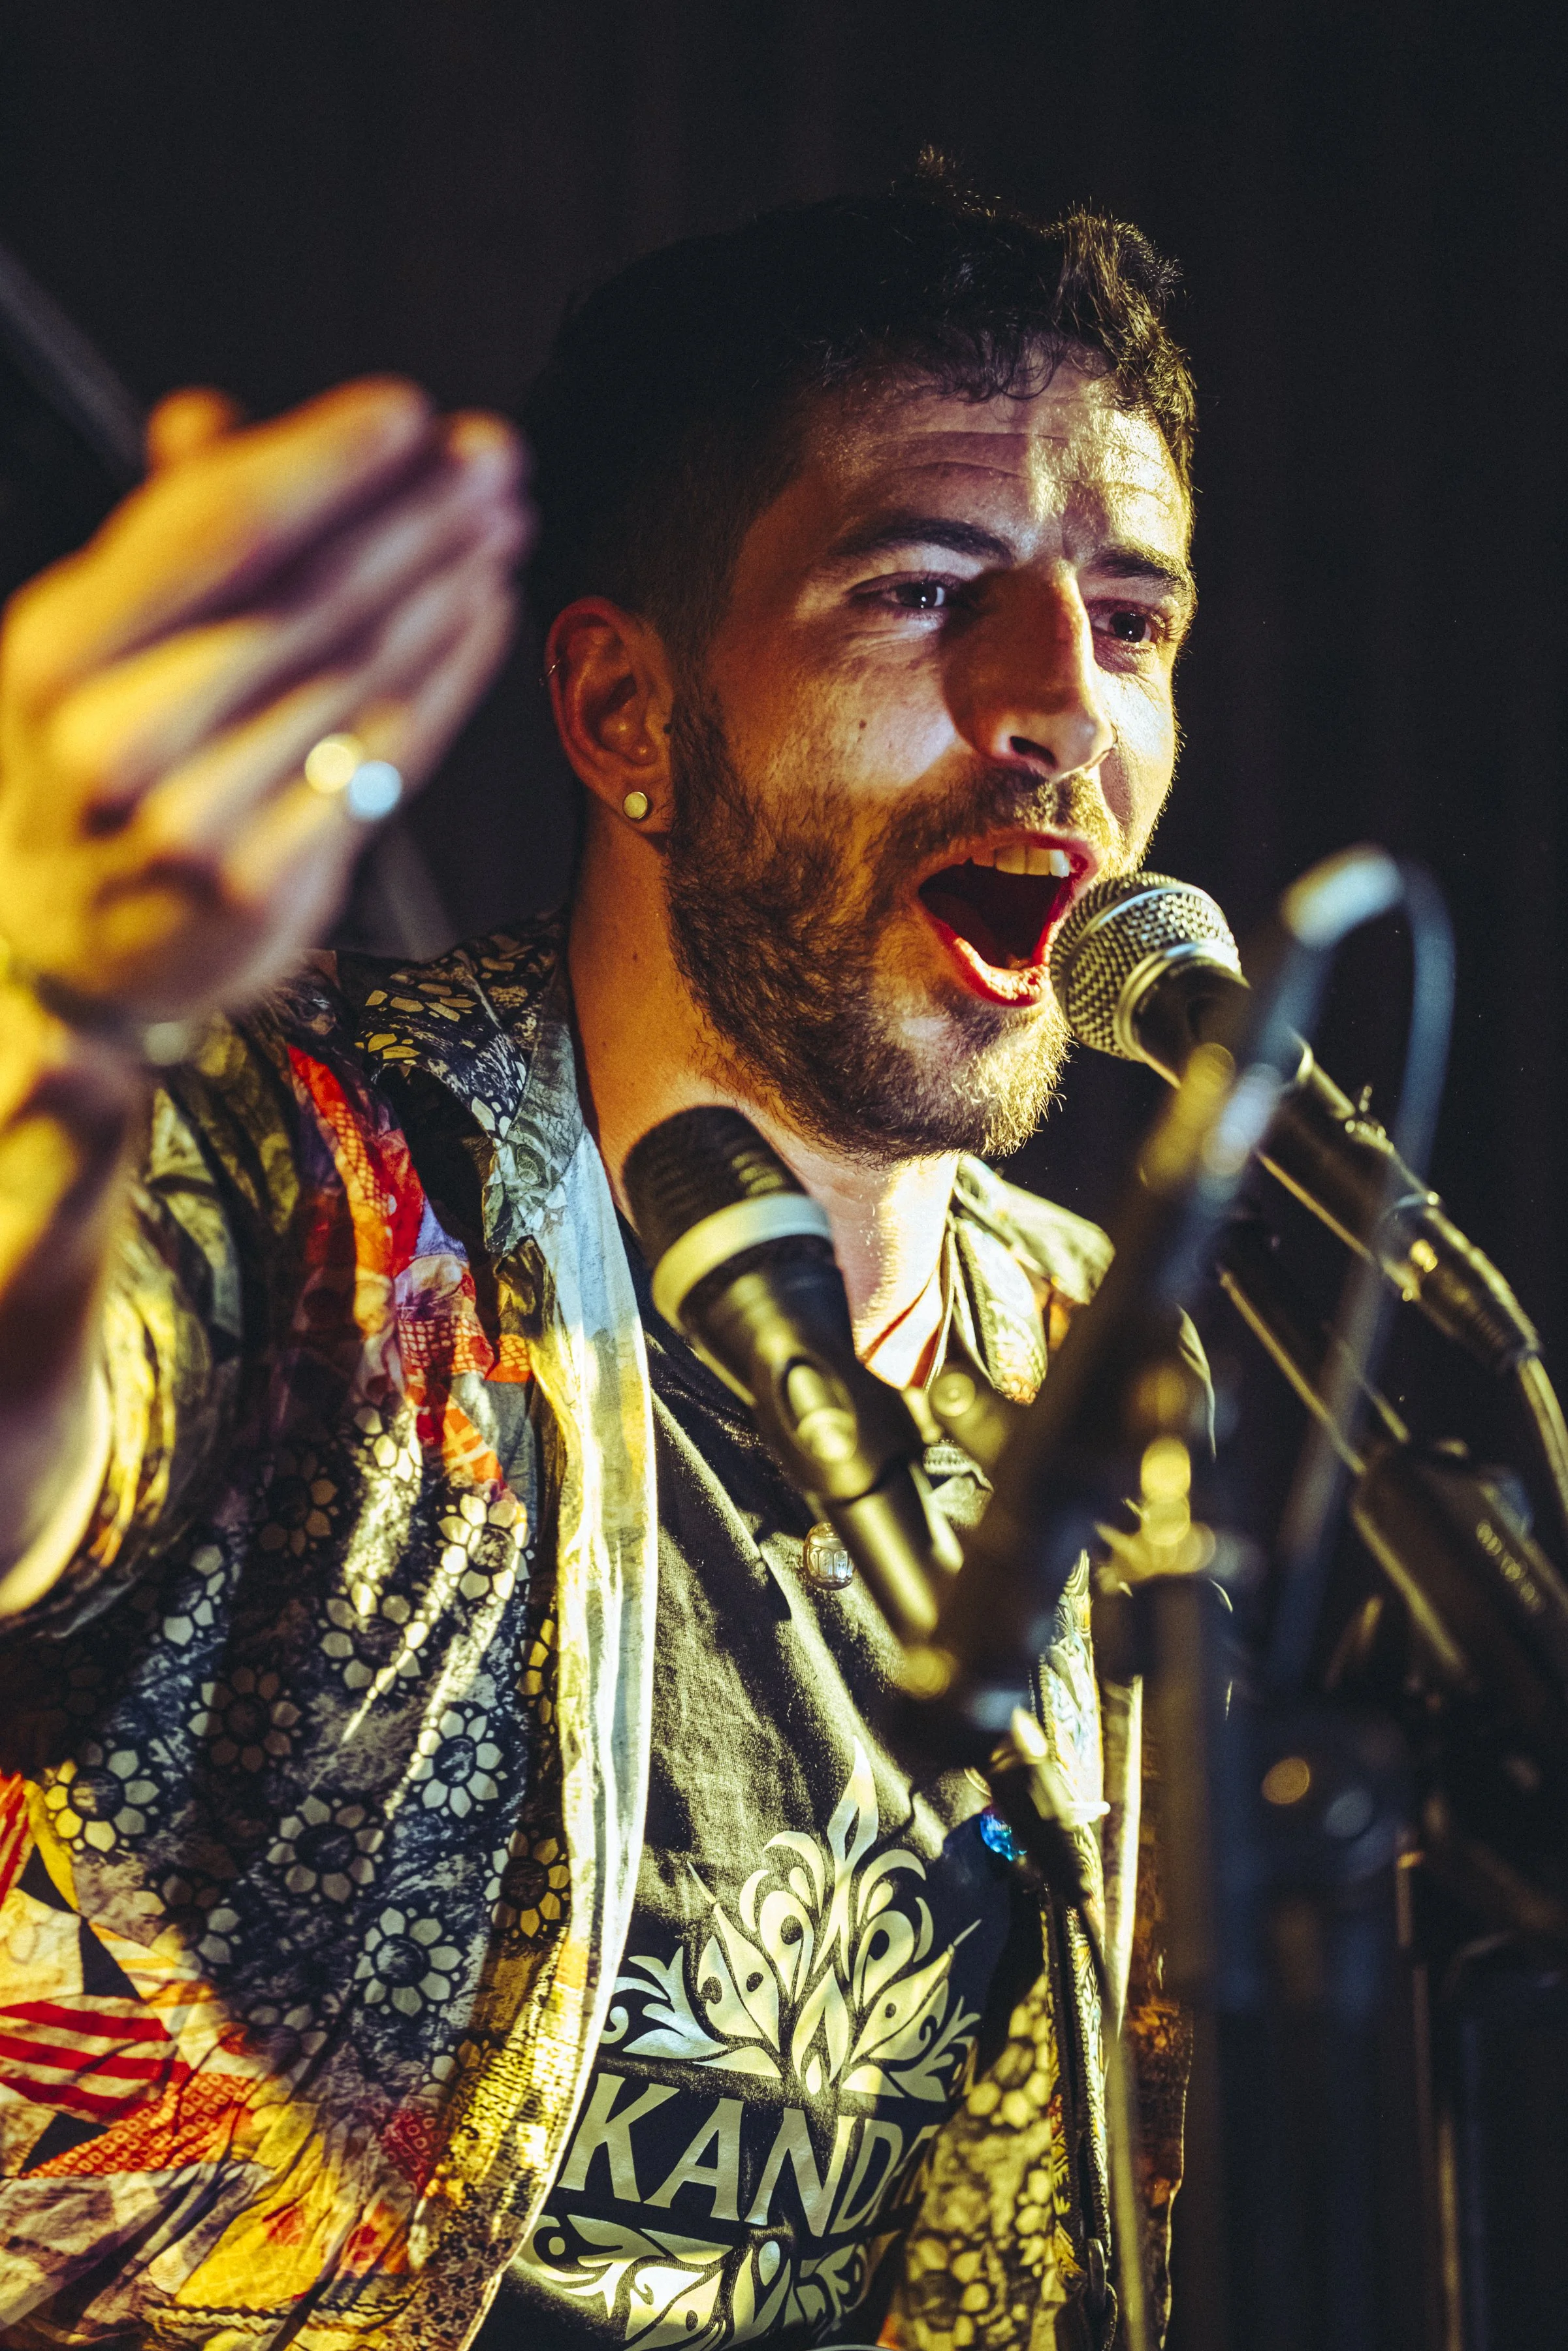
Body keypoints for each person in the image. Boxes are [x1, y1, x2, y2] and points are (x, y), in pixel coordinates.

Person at [0, 167, 1196, 2350]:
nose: (1060, 707)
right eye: (923, 593)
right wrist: (62, 1029)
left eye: (1130, 622)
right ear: (626, 714)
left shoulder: (1118, 1383)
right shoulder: (313, 1181)